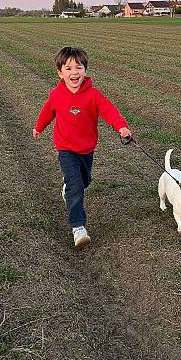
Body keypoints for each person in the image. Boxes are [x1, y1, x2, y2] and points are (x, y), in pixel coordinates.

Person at [33, 46, 132, 247]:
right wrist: (38, 127)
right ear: (60, 73)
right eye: (68, 69)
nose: (74, 72)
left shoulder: (93, 95)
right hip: (65, 149)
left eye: (78, 67)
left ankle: (69, 188)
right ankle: (78, 227)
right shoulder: (56, 95)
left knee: (84, 181)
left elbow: (109, 111)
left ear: (85, 71)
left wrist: (121, 127)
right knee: (76, 186)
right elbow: (47, 112)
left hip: (87, 149)